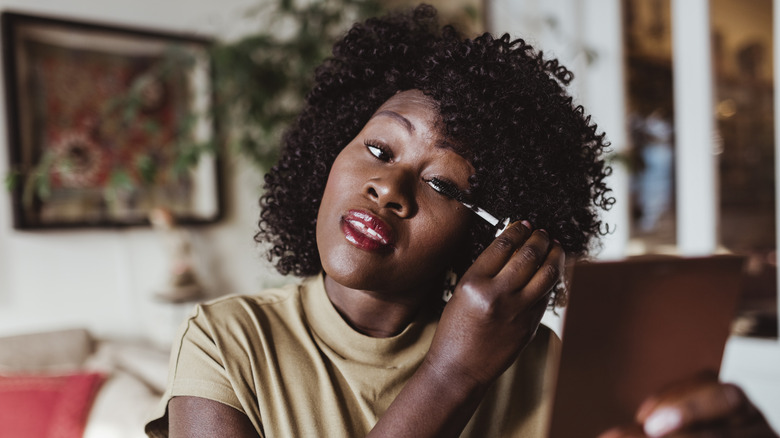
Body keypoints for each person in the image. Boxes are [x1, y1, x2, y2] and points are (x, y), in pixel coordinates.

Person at [145, 5, 778, 438]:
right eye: (378, 148)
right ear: (326, 153)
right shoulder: (226, 341)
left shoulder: (540, 368)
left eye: (443, 183)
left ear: (488, 232)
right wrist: (453, 375)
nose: (389, 187)